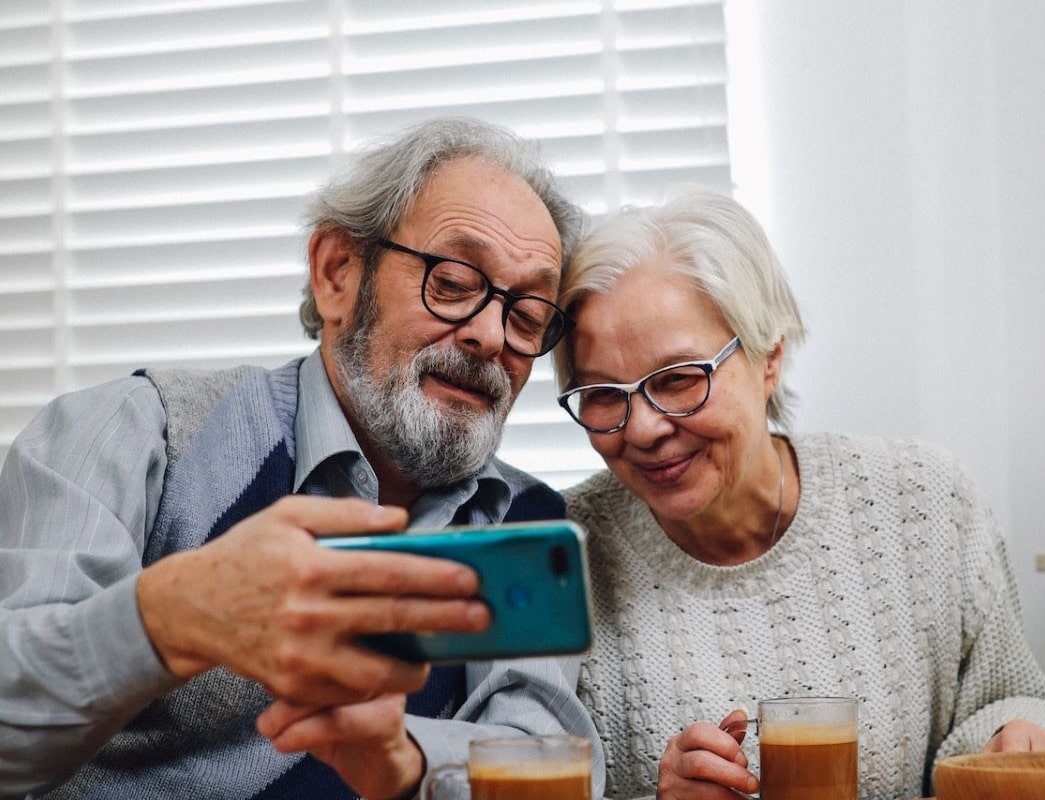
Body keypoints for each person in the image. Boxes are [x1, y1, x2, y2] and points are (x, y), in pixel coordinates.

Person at [0, 117, 604, 800]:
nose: (492, 335)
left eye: (526, 314)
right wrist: (169, 618)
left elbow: (550, 763)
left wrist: (402, 759)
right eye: (454, 280)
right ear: (337, 275)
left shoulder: (525, 526)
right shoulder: (136, 433)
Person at [552, 188, 1045, 799]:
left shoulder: (923, 501)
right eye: (603, 394)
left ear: (769, 359)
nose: (644, 428)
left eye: (680, 380)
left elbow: (1020, 700)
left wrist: (1018, 734)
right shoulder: (561, 554)